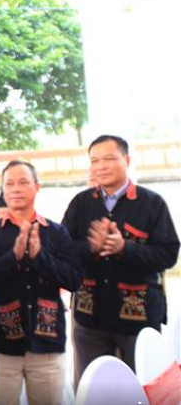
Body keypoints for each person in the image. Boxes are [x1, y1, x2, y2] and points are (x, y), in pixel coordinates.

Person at [62, 135, 179, 383]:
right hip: (89, 317)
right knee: (96, 388)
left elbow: (168, 254)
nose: (100, 166)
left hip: (139, 318)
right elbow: (62, 250)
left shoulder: (152, 203)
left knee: (140, 388)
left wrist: (125, 248)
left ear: (126, 160)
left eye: (108, 158)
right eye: (94, 161)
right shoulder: (81, 204)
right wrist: (90, 248)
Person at [0, 161, 81, 405]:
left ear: (37, 187)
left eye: (24, 182)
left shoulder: (56, 232)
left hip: (48, 346)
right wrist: (12, 257)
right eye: (10, 184)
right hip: (2, 345)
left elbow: (74, 280)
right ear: (3, 191)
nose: (16, 189)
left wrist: (41, 257)